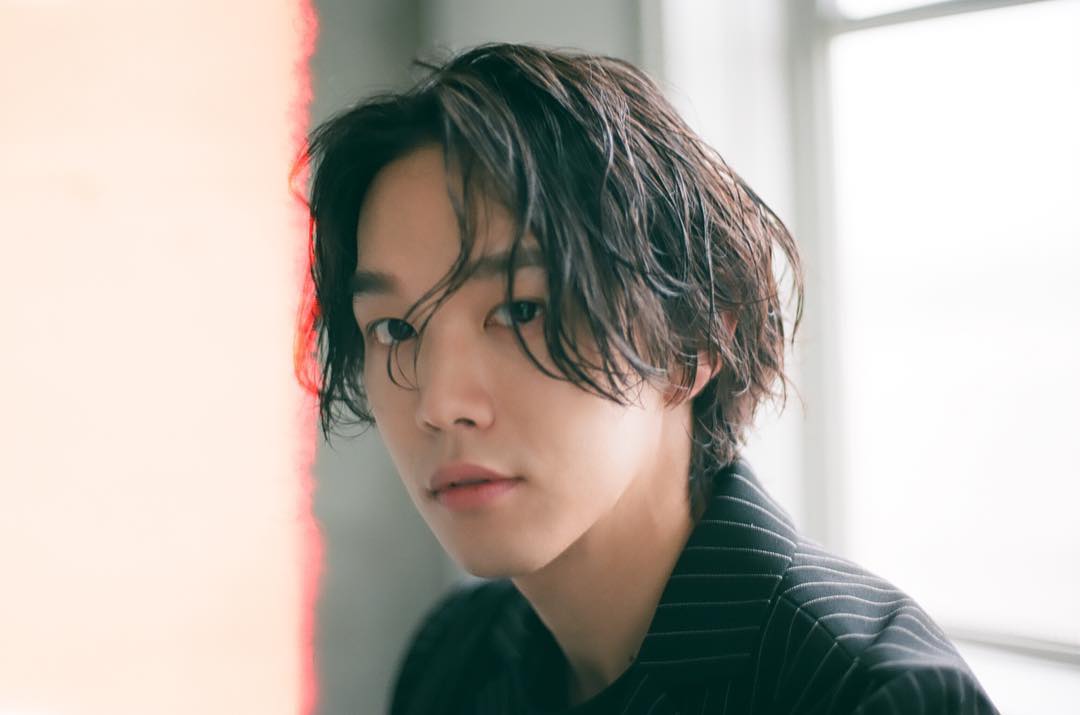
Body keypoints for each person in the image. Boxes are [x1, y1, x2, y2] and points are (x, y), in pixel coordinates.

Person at [293, 43, 999, 714]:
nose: (440, 403)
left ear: (694, 339)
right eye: (395, 329)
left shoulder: (866, 693)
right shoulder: (456, 655)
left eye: (521, 310)